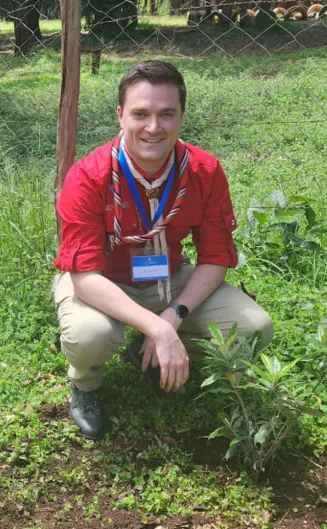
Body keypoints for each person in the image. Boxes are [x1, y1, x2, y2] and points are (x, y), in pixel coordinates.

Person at [53, 61, 273, 440]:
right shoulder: (88, 176)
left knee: (255, 328)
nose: (153, 127)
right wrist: (158, 325)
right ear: (121, 115)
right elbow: (85, 277)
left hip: (168, 276)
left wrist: (173, 316)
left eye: (166, 114)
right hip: (104, 282)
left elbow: (215, 257)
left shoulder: (204, 171)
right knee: (89, 335)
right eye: (140, 114)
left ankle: (152, 354)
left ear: (182, 117)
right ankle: (86, 386)